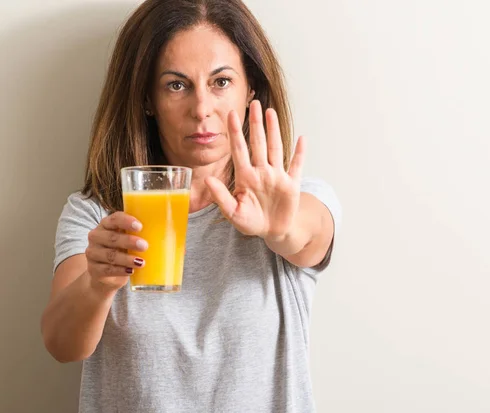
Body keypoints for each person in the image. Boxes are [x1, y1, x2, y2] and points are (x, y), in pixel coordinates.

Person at [40, 0, 341, 412]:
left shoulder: (293, 201)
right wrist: (97, 283)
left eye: (221, 82)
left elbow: (308, 237)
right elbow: (62, 345)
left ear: (250, 87)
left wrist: (281, 229)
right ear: (148, 98)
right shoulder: (97, 214)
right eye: (176, 85)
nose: (202, 109)